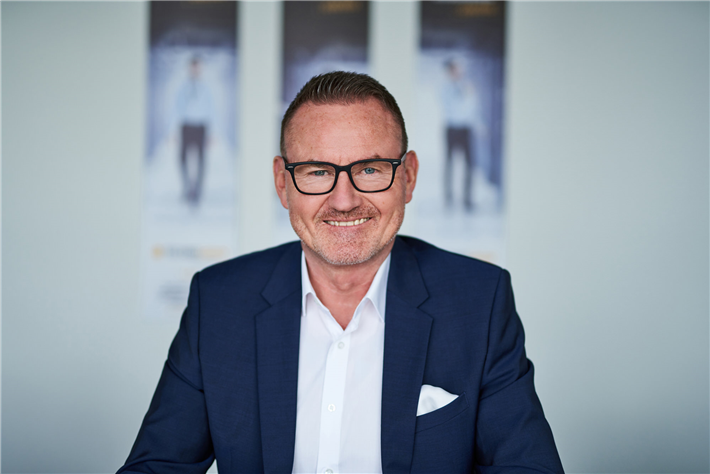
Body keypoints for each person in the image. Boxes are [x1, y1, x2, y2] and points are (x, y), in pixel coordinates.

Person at [119, 71, 563, 473]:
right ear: (283, 184)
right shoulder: (218, 302)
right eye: (317, 172)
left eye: (370, 169)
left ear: (408, 177)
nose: (345, 200)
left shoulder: (480, 302)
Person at [175, 55, 213, 205]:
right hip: (186, 126)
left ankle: (198, 191)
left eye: (197, 67)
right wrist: (173, 130)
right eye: (193, 67)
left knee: (201, 160)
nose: (195, 70)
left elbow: (211, 110)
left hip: (200, 127)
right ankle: (187, 187)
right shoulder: (183, 88)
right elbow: (177, 108)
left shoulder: (206, 89)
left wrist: (212, 133)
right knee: (183, 158)